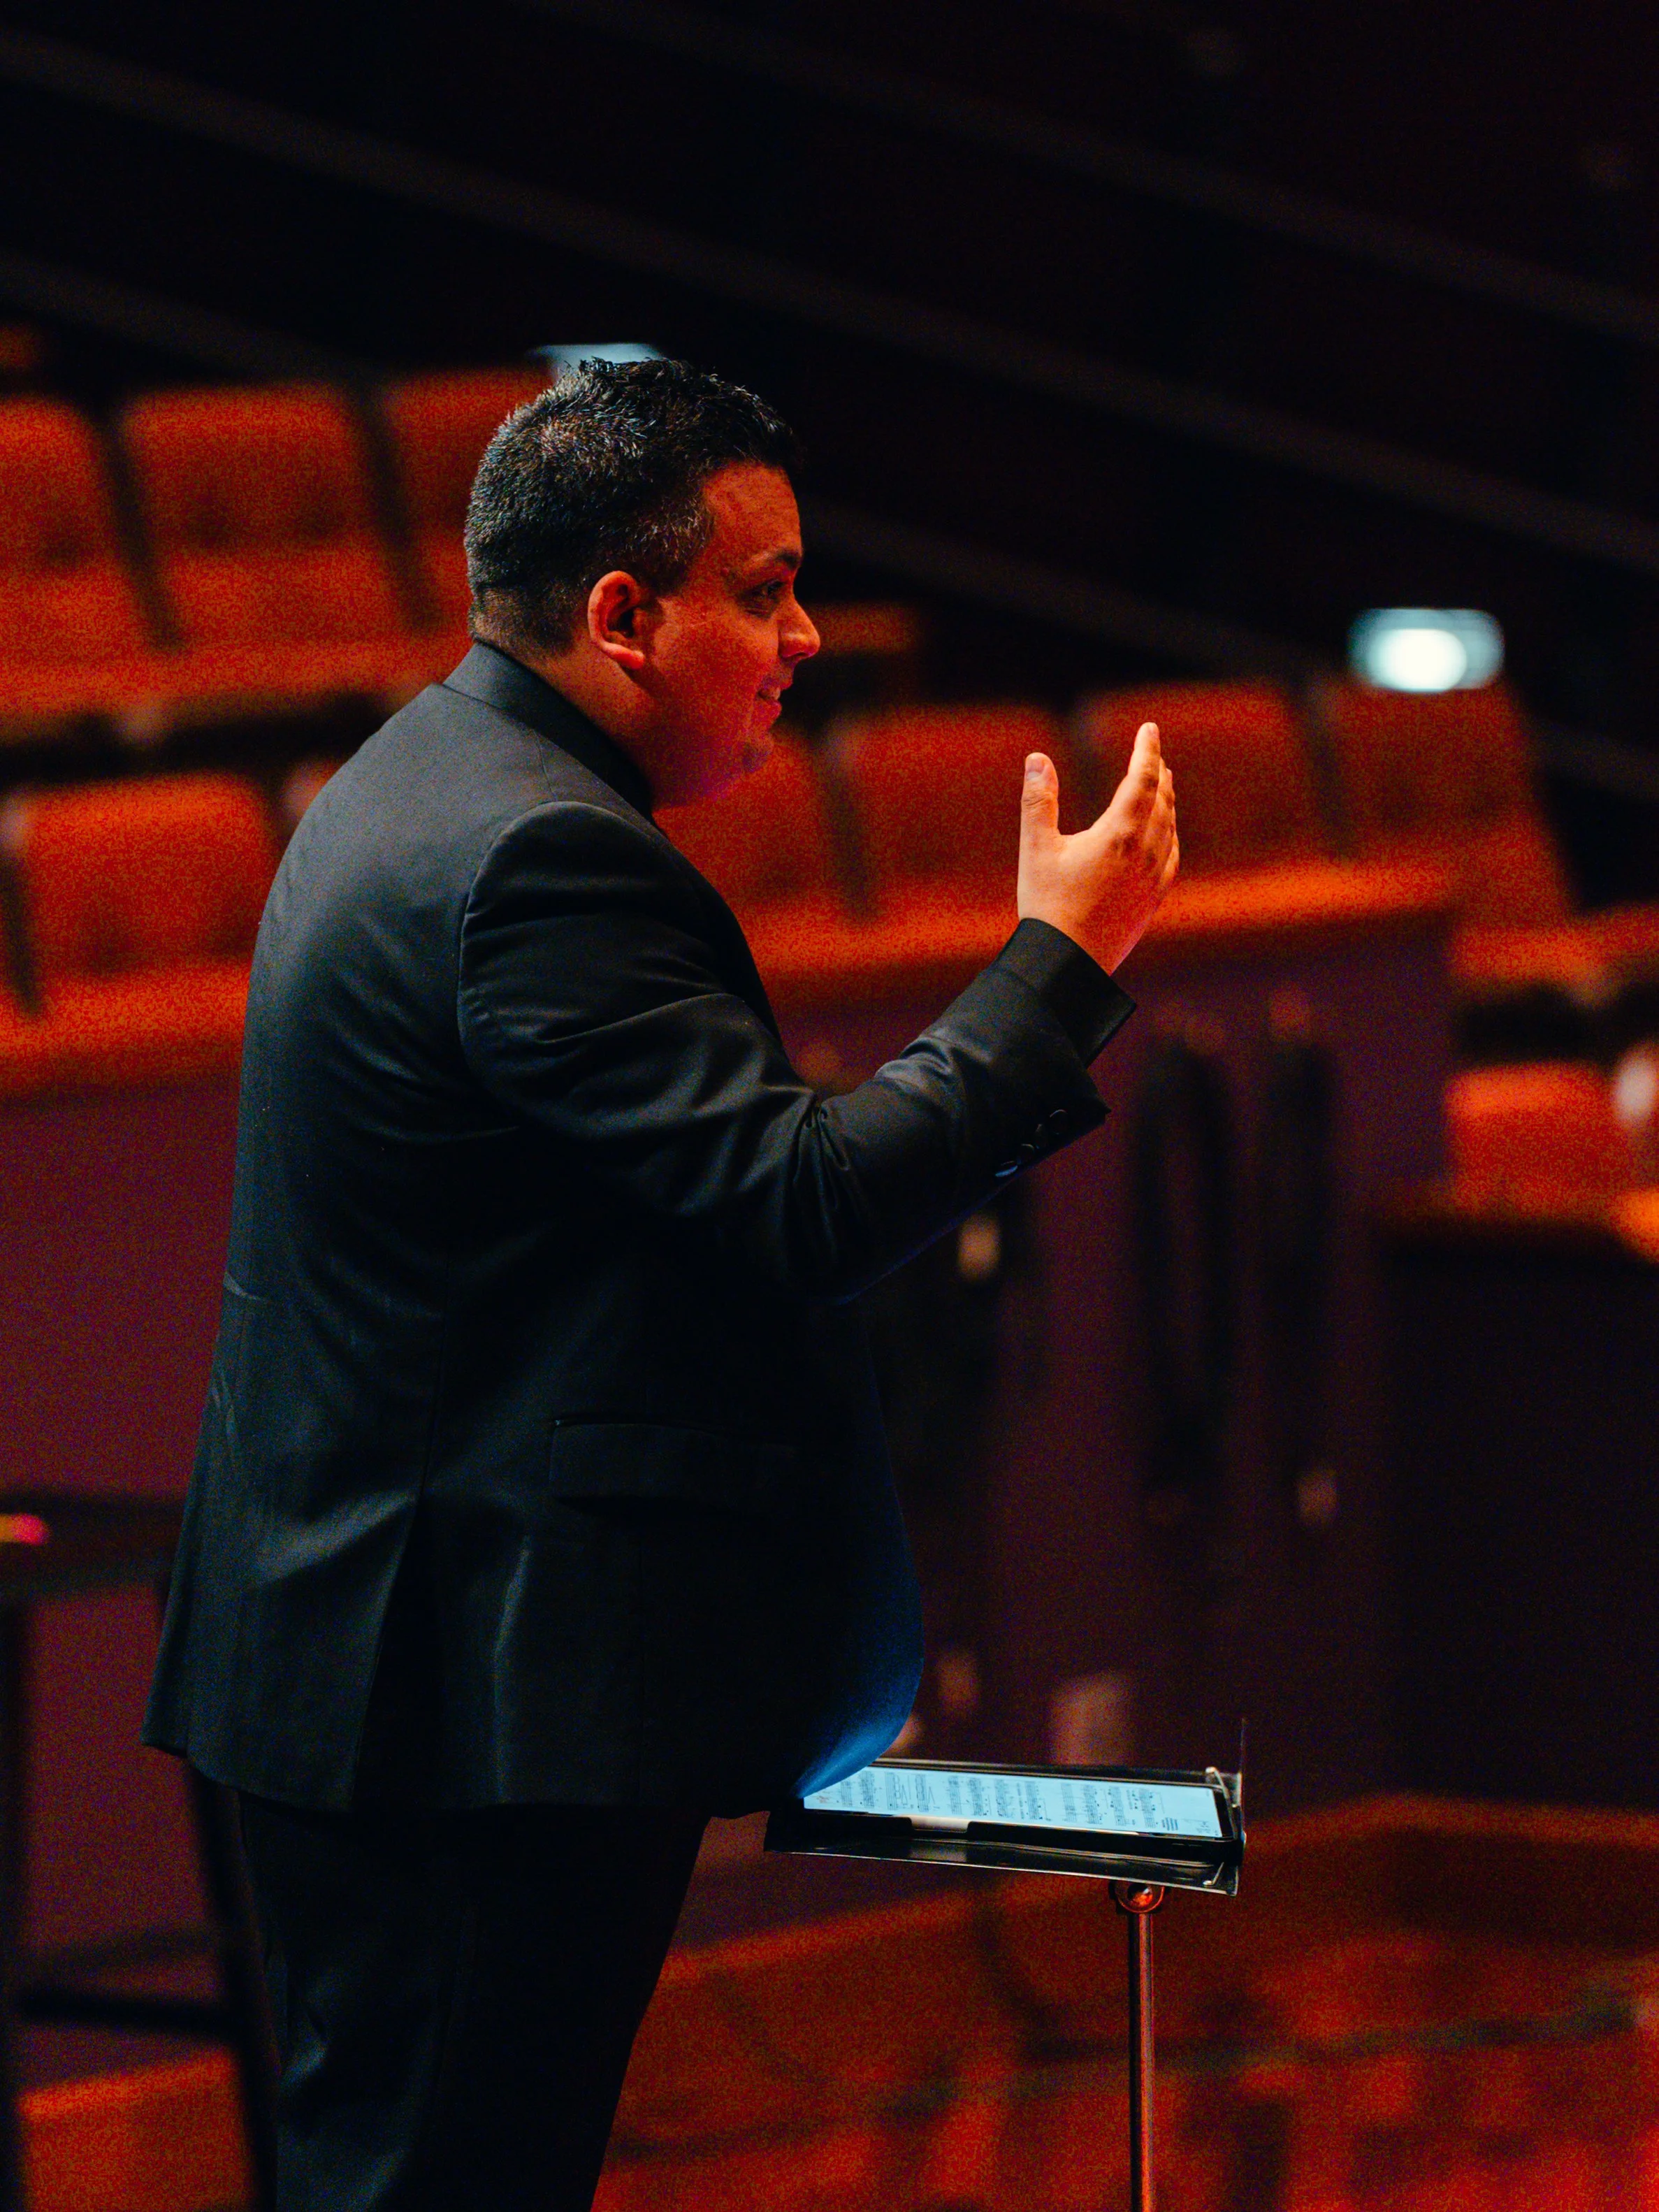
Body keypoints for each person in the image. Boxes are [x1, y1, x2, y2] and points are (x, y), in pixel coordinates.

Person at [144, 358, 1178, 2210]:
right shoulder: (540, 852)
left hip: (390, 1672)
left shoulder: (416, 776)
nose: (801, 638)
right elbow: (796, 1201)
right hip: (462, 1706)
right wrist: (1060, 961)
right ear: (624, 615)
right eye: (764, 590)